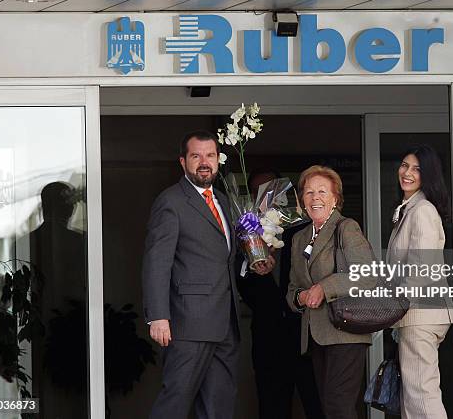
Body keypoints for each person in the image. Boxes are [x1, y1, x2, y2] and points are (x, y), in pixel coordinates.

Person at [141, 130, 274, 419]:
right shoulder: (171, 202)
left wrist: (253, 261)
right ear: (183, 162)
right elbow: (156, 262)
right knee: (174, 404)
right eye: (196, 156)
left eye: (210, 155)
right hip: (188, 324)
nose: (204, 162)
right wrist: (158, 316)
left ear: (218, 160)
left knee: (219, 406)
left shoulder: (226, 202)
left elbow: (225, 257)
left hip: (225, 323)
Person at [286, 165, 376, 419]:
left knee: (338, 406)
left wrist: (325, 288)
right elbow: (293, 287)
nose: (315, 198)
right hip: (317, 335)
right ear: (302, 200)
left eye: (322, 192)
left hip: (345, 332)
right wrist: (299, 298)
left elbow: (368, 274)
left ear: (335, 199)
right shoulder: (299, 238)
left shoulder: (345, 228)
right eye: (309, 193)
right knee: (327, 407)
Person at [237, 170, 324, 419]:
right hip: (268, 336)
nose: (263, 197)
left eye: (269, 190)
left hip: (306, 335)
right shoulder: (248, 233)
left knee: (317, 403)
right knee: (272, 405)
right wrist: (254, 267)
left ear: (282, 192)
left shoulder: (307, 227)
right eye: (257, 192)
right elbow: (240, 282)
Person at [386, 144, 453, 419]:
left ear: (428, 175)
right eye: (404, 165)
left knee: (422, 396)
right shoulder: (410, 208)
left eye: (416, 168)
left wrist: (393, 303)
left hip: (420, 312)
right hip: (418, 313)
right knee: (415, 395)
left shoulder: (423, 210)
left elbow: (421, 269)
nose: (407, 172)